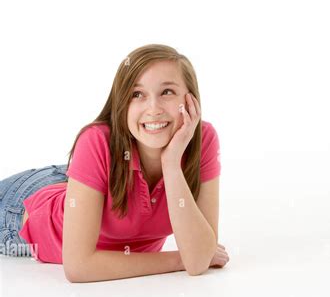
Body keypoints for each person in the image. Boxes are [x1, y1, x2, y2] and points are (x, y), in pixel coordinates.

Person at [0, 44, 229, 282]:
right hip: (19, 210)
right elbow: (79, 267)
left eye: (167, 92)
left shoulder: (203, 140)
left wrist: (171, 163)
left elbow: (198, 261)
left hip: (86, 180)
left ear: (191, 99)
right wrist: (178, 258)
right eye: (137, 94)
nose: (153, 109)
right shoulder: (95, 140)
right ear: (122, 104)